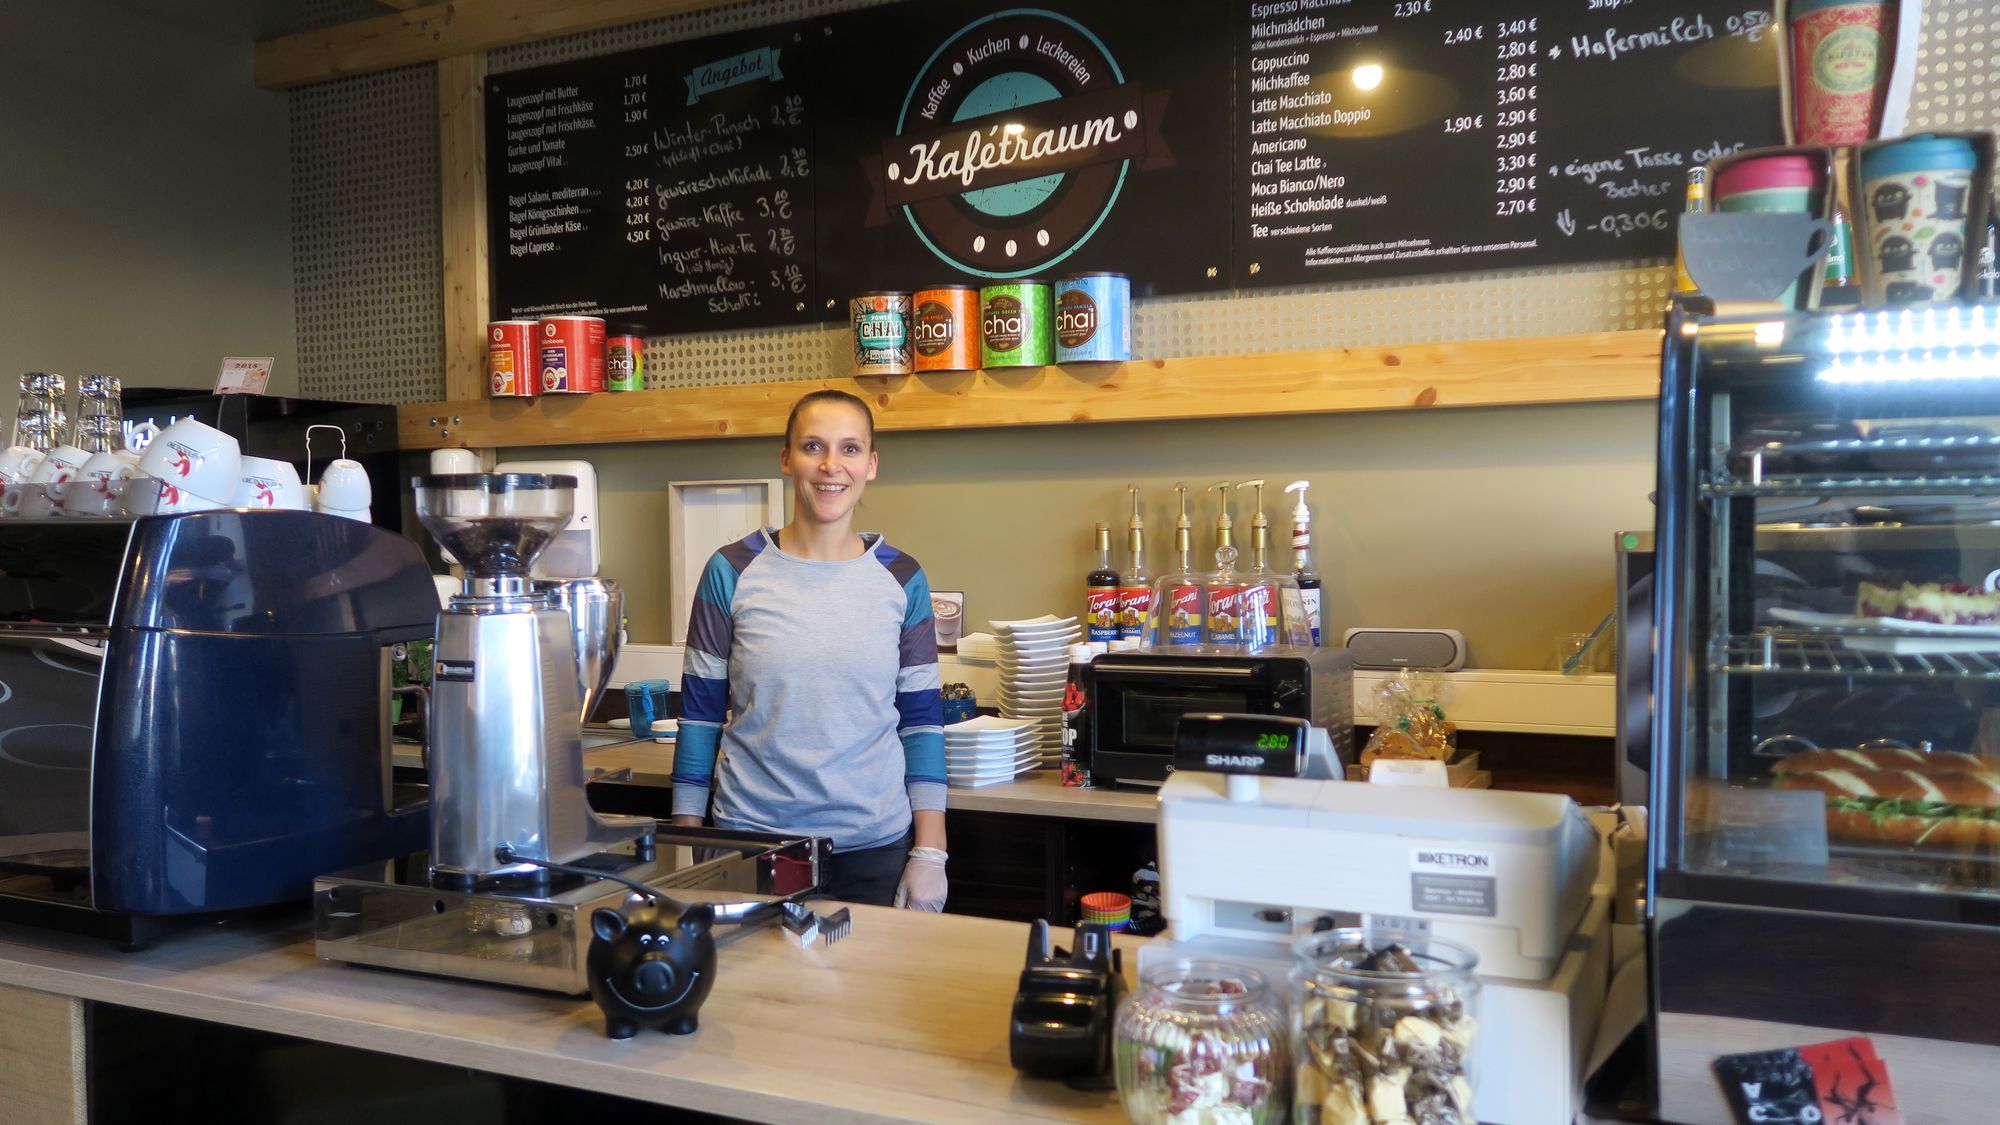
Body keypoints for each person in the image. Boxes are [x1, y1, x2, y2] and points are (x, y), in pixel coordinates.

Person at [670, 390, 949, 909]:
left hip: (875, 850)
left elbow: (921, 723)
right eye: (813, 446)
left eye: (849, 449)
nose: (830, 466)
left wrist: (931, 853)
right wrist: (686, 841)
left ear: (871, 465)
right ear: (786, 458)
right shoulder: (730, 571)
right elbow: (700, 715)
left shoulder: (903, 577)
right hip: (754, 843)